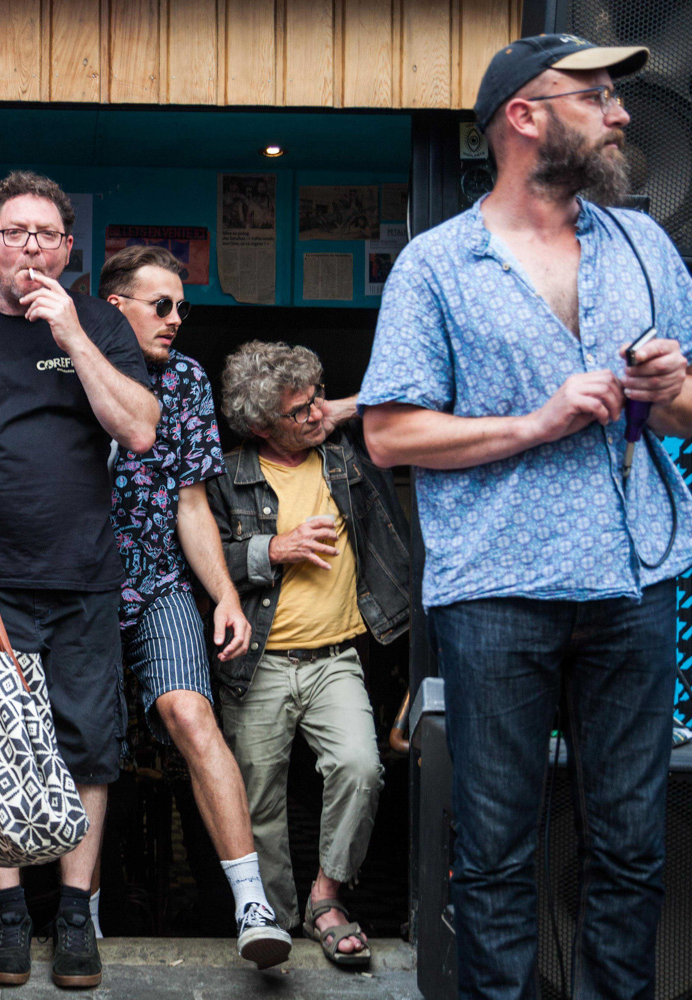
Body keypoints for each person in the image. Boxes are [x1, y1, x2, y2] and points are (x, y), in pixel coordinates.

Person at [357, 35, 692, 1000]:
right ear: (524, 116)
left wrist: (665, 381)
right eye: (596, 95)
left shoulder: (642, 244)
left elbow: (690, 412)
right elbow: (392, 436)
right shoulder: (438, 265)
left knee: (635, 848)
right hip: (498, 593)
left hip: (635, 579)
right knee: (493, 855)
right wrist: (538, 420)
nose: (621, 114)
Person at [0, 169, 159, 989]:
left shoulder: (95, 321)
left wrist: (75, 337)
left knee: (90, 748)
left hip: (84, 574)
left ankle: (75, 917)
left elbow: (140, 429)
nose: (30, 248)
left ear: (67, 247)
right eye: (15, 233)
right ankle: (11, 916)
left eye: (46, 235)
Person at [97, 245, 291, 969]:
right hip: (79, 589)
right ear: (116, 307)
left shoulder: (185, 381)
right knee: (87, 747)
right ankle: (83, 914)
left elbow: (191, 502)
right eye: (163, 304)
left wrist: (225, 596)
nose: (177, 318)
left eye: (182, 306)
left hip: (159, 580)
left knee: (189, 713)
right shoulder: (64, 369)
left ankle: (251, 903)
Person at [205, 341, 412, 969]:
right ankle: (274, 922)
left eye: (317, 397)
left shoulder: (346, 458)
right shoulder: (226, 475)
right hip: (259, 664)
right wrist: (274, 548)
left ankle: (326, 897)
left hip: (335, 659)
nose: (315, 413)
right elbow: (201, 563)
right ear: (260, 424)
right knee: (257, 798)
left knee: (360, 767)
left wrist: (337, 410)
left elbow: (411, 402)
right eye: (300, 410)